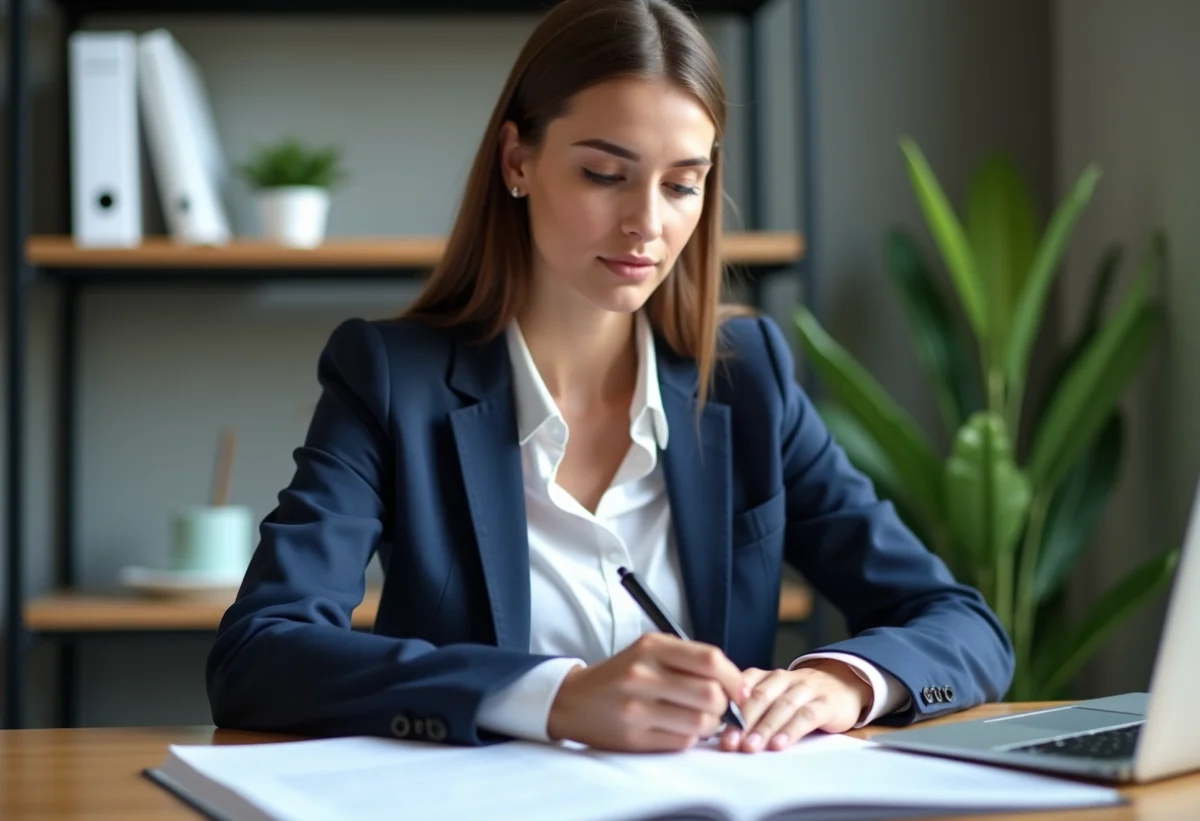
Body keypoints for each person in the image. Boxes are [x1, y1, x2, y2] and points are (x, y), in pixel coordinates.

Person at [206, 0, 1013, 754]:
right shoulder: (391, 380)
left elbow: (960, 621)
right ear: (518, 159)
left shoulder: (746, 379)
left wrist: (846, 683)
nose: (647, 224)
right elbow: (258, 653)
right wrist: (552, 695)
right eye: (604, 173)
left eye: (682, 184)